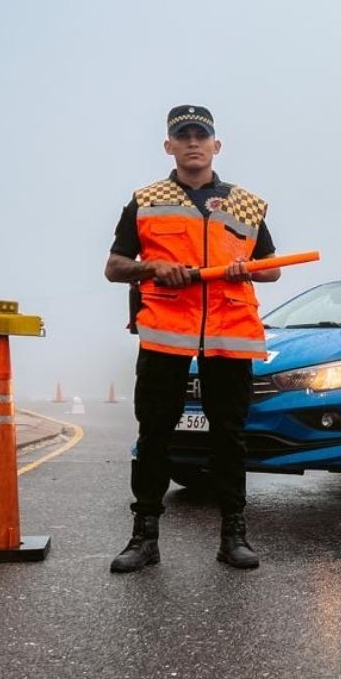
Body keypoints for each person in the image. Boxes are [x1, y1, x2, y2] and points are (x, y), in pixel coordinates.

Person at [104, 104, 280, 572]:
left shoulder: (245, 204)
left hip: (229, 334)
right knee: (154, 435)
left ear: (216, 145)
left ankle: (234, 536)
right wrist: (153, 267)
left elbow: (272, 268)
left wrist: (247, 269)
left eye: (201, 135)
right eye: (183, 136)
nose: (193, 143)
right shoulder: (146, 199)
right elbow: (114, 267)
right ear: (170, 146)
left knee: (230, 438)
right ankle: (144, 538)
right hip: (165, 335)